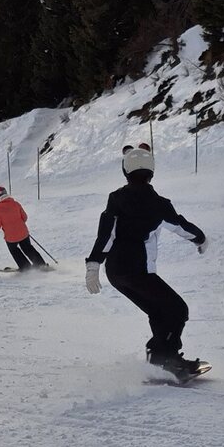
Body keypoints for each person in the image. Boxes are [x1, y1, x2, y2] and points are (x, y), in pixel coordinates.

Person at [85, 144, 207, 377]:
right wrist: (200, 238)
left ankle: (158, 358)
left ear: (125, 170)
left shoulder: (116, 198)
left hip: (116, 272)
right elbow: (180, 226)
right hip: (138, 270)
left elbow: (106, 234)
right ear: (151, 171)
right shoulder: (159, 204)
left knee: (159, 310)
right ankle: (166, 360)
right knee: (177, 309)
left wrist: (94, 265)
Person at [0, 184, 45, 271]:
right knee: (28, 248)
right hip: (23, 233)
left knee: (14, 250)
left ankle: (25, 267)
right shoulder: (16, 204)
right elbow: (25, 217)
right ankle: (41, 264)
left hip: (11, 237)